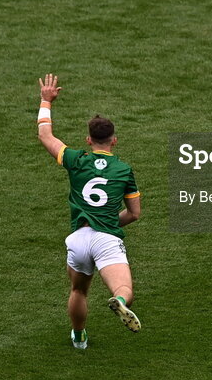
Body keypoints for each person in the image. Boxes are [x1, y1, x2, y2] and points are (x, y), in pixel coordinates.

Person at [36, 73, 143, 349]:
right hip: (107, 238)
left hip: (79, 238)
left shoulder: (76, 160)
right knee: (124, 290)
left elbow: (44, 134)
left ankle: (79, 337)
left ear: (88, 139)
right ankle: (118, 303)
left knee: (78, 290)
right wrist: (107, 220)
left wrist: (46, 100)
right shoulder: (123, 169)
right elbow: (134, 214)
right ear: (114, 140)